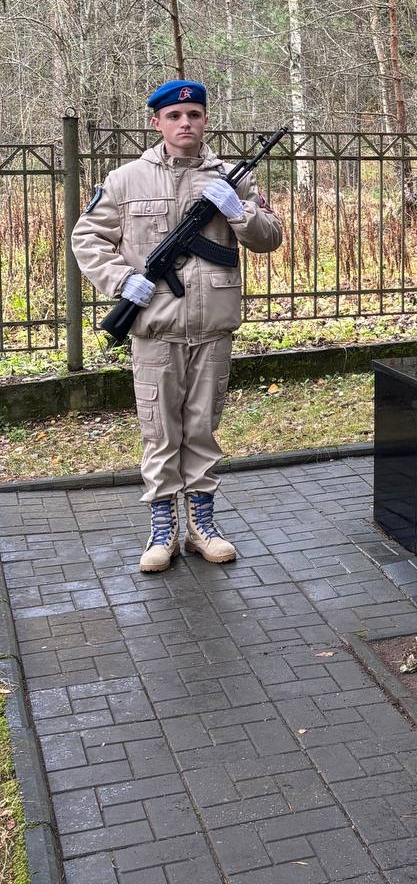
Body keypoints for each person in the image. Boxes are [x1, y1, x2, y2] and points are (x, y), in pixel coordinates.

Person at [72, 80, 283, 571]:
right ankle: (162, 529)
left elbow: (269, 238)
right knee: (160, 431)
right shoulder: (126, 179)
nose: (185, 122)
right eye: (174, 116)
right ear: (157, 122)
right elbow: (87, 237)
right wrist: (123, 280)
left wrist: (240, 212)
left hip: (213, 328)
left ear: (205, 119)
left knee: (202, 429)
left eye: (194, 114)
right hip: (155, 329)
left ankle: (202, 527)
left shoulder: (232, 178)